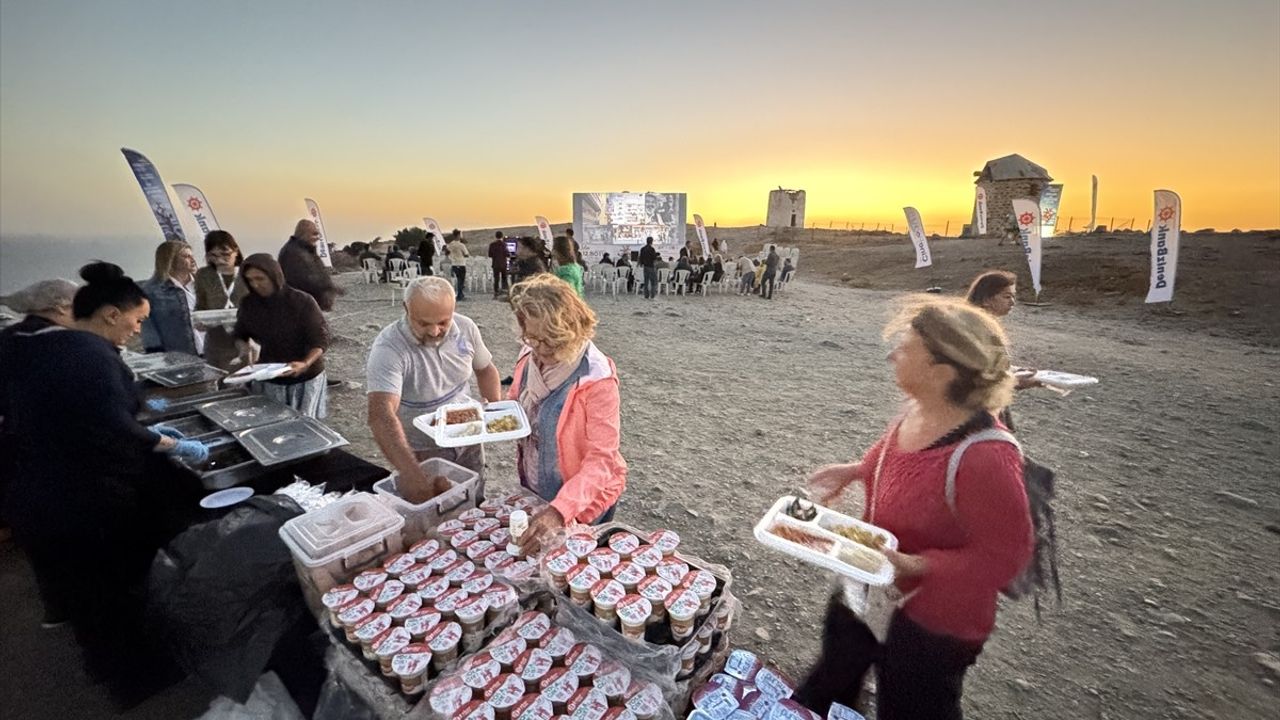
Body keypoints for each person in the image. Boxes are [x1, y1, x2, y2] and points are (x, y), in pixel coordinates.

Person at [797, 296, 1032, 720]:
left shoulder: (986, 457)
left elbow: (1008, 558)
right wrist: (856, 470)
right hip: (870, 581)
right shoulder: (919, 407)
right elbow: (895, 454)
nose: (891, 355)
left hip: (935, 622)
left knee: (913, 706)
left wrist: (916, 565)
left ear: (940, 372)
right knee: (831, 678)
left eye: (904, 349)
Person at [3, 262, 206, 705]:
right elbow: (113, 427)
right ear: (111, 314)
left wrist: (132, 397)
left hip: (31, 489)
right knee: (114, 593)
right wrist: (169, 445)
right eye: (136, 320)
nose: (138, 330)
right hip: (84, 497)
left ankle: (103, 659)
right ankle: (139, 681)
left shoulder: (18, 342)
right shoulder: (86, 353)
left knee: (82, 591)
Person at [505, 275, 627, 553]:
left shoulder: (597, 379)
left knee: (574, 563)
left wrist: (560, 511)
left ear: (571, 331)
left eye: (551, 341)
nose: (541, 349)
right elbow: (515, 401)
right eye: (532, 338)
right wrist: (489, 417)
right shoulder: (529, 356)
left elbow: (602, 460)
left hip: (584, 497)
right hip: (537, 482)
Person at [366, 276, 502, 498]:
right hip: (423, 448)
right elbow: (381, 414)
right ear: (406, 309)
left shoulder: (465, 328)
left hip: (468, 437)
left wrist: (495, 412)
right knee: (434, 512)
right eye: (423, 323)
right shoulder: (389, 347)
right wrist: (412, 473)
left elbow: (485, 369)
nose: (434, 331)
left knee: (473, 497)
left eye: (443, 322)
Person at [234, 254, 330, 418]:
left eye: (260, 278)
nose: (255, 284)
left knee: (303, 426)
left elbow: (320, 341)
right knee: (271, 423)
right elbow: (241, 333)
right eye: (250, 280)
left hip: (304, 377)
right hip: (269, 374)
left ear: (274, 276)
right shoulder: (249, 304)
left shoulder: (302, 301)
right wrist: (244, 348)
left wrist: (304, 363)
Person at [194, 230, 249, 370]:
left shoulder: (247, 273)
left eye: (225, 254)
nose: (220, 260)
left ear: (235, 251)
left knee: (244, 382)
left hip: (246, 338)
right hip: (216, 339)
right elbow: (200, 305)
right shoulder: (204, 275)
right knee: (219, 381)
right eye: (213, 255)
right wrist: (200, 320)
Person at [140, 240, 201, 355]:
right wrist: (155, 352)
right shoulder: (152, 291)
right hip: (180, 354)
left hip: (213, 351)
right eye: (186, 256)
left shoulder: (204, 283)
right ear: (170, 260)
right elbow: (147, 326)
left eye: (192, 256)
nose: (193, 260)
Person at [279, 219, 340, 311]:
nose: (318, 237)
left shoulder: (306, 250)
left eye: (318, 234)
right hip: (301, 305)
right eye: (314, 234)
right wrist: (328, 288)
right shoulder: (293, 253)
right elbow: (303, 280)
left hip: (310, 303)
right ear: (304, 233)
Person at [446, 230, 470, 301]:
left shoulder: (450, 244)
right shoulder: (461, 245)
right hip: (461, 263)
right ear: (458, 235)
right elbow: (466, 254)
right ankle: (460, 294)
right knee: (461, 280)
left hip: (454, 264)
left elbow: (447, 252)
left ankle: (460, 294)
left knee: (458, 279)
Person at [489, 231, 510, 297]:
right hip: (503, 264)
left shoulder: (492, 245)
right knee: (504, 278)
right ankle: (504, 291)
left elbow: (490, 255)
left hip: (495, 264)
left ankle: (496, 292)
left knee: (496, 279)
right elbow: (507, 254)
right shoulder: (504, 244)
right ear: (502, 236)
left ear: (496, 236)